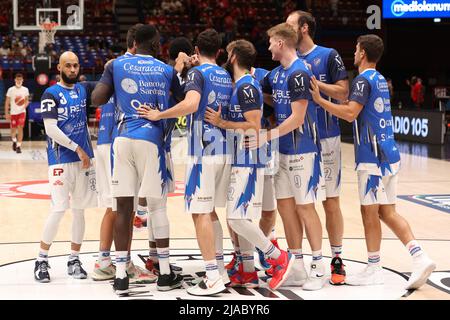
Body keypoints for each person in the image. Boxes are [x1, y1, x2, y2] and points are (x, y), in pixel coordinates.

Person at [310, 34, 436, 289]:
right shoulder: (378, 79)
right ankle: (419, 256)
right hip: (389, 154)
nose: (354, 54)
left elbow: (349, 113)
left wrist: (320, 101)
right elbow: (359, 108)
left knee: (369, 212)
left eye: (356, 49)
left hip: (372, 157)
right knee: (387, 212)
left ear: (363, 53)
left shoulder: (362, 80)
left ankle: (374, 267)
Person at [138, 29, 233, 296]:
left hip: (202, 151)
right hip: (224, 148)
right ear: (219, 50)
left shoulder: (197, 74)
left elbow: (191, 104)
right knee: (211, 211)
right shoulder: (225, 74)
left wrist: (160, 114)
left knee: (200, 213)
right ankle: (221, 269)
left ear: (195, 48)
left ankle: (212, 276)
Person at [92, 25, 184, 295]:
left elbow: (97, 99)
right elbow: (184, 102)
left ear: (133, 42)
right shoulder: (166, 70)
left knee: (123, 209)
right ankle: (165, 273)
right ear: (156, 45)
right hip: (152, 141)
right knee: (156, 208)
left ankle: (120, 275)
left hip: (122, 140)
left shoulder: (116, 64)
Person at [204, 39, 295, 290]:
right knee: (238, 216)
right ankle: (246, 270)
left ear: (232, 56)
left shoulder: (247, 87)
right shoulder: (238, 85)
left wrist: (222, 123)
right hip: (239, 157)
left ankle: (278, 257)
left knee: (236, 219)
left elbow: (254, 126)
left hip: (250, 158)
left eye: (228, 52)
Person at [260, 23, 327, 291]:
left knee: (305, 207)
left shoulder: (299, 72)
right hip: (282, 152)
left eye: (270, 42)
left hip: (303, 150)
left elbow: (297, 118)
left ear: (280, 43)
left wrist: (267, 135)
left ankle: (318, 266)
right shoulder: (276, 74)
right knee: (286, 209)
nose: (267, 47)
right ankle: (296, 264)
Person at [287, 10, 349, 285]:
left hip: (327, 138)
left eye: (289, 24)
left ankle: (336, 258)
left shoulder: (328, 54)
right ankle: (304, 261)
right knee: (302, 204)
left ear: (303, 28)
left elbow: (343, 91)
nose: (284, 28)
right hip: (300, 142)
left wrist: (317, 86)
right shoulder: (288, 61)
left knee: (331, 201)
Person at [91, 23, 156, 284]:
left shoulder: (114, 67)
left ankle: (111, 260)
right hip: (118, 140)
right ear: (137, 44)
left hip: (110, 140)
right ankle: (109, 262)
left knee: (116, 207)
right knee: (120, 208)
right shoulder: (131, 68)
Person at [34, 51, 97, 283]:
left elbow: (108, 82)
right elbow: (50, 129)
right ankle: (41, 259)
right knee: (59, 209)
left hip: (85, 161)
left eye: (76, 65)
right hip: (61, 159)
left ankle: (74, 258)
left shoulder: (83, 89)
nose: (72, 69)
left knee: (80, 210)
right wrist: (76, 147)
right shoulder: (51, 93)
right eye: (68, 66)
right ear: (59, 68)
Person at [144, 36, 194, 276]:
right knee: (158, 207)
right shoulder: (167, 74)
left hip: (162, 144)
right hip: (157, 146)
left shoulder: (180, 74)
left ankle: (154, 259)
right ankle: (160, 265)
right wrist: (179, 66)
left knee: (157, 206)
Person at [4, 73, 29, 154]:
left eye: (20, 79)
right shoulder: (10, 90)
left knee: (20, 127)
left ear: (22, 80)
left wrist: (24, 106)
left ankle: (18, 146)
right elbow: (7, 102)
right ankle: (14, 141)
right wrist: (6, 113)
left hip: (22, 112)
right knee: (13, 130)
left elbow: (26, 100)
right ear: (15, 80)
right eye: (17, 79)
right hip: (13, 112)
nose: (19, 81)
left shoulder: (25, 89)